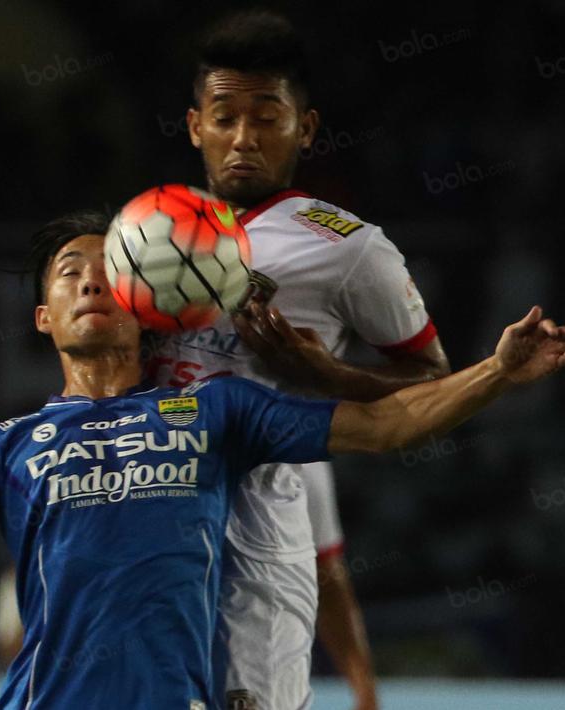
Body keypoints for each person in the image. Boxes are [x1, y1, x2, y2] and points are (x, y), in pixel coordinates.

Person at [0, 211, 565, 709]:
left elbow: (387, 426)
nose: (89, 280)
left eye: (107, 270)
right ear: (44, 316)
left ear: (144, 307)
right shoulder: (8, 445)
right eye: (67, 272)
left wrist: (494, 374)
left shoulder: (215, 411)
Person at [148, 11, 449, 709]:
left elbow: (433, 378)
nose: (243, 139)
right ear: (195, 126)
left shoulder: (347, 245)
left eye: (266, 117)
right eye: (223, 117)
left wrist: (328, 378)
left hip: (261, 525)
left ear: (304, 128)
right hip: (149, 522)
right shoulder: (149, 232)